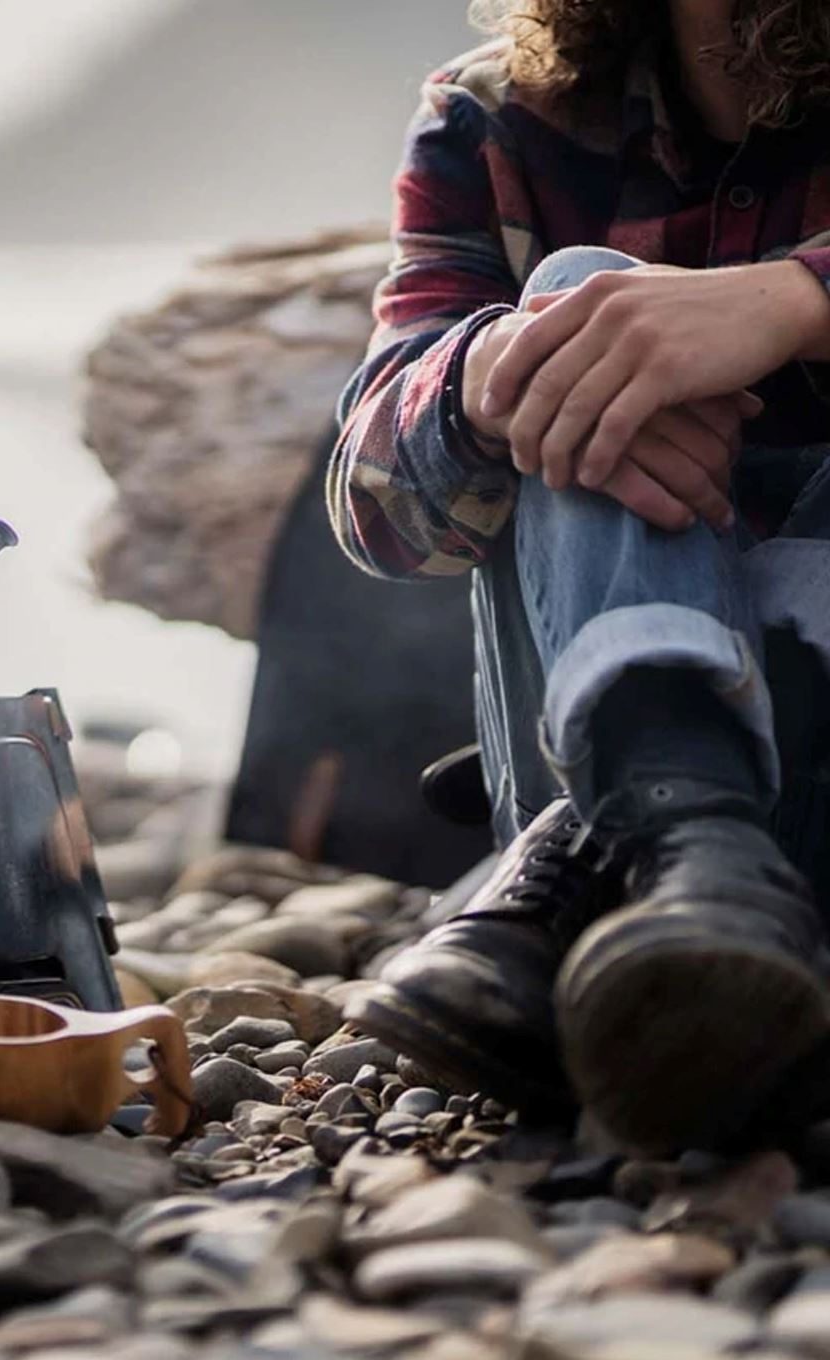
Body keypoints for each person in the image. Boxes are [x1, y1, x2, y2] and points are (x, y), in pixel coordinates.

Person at [329, 0, 830, 1152]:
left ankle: (599, 888)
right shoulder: (494, 120)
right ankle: (691, 847)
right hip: (592, 754)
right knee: (575, 303)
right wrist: (493, 376)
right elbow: (375, 519)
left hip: (625, 826)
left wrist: (793, 303)